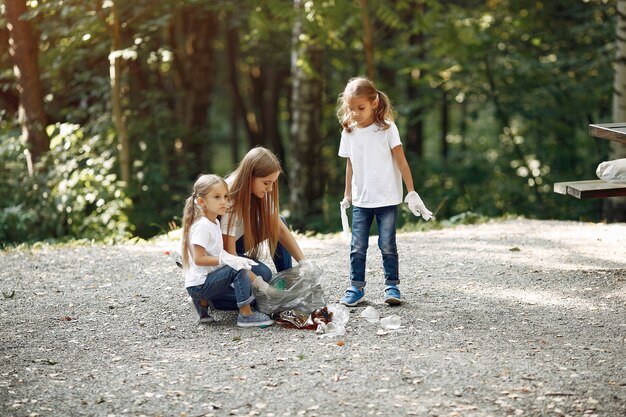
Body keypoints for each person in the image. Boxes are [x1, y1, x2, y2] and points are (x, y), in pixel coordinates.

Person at [336, 76, 432, 307]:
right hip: (361, 200)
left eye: (361, 108)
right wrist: (348, 194)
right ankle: (356, 288)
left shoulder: (387, 129)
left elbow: (401, 161)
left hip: (387, 198)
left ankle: (392, 286)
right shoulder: (348, 132)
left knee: (387, 244)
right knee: (358, 246)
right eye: (351, 108)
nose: (356, 113)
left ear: (374, 102)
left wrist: (412, 191)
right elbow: (350, 164)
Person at [216, 147, 317, 309]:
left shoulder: (262, 192)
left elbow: (279, 228)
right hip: (220, 252)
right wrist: (261, 285)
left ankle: (287, 278)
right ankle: (214, 299)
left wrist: (304, 263)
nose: (270, 189)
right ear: (250, 177)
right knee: (263, 275)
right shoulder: (229, 196)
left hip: (236, 241)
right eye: (266, 183)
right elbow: (229, 254)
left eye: (272, 183)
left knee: (279, 220)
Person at [181, 174, 275, 327]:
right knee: (238, 269)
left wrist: (233, 258)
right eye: (217, 197)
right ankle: (245, 315)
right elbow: (199, 259)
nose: (224, 202)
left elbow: (215, 254)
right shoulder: (202, 226)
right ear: (201, 202)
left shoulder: (213, 222)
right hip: (199, 287)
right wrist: (228, 260)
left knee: (253, 293)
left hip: (205, 283)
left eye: (226, 196)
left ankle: (203, 306)